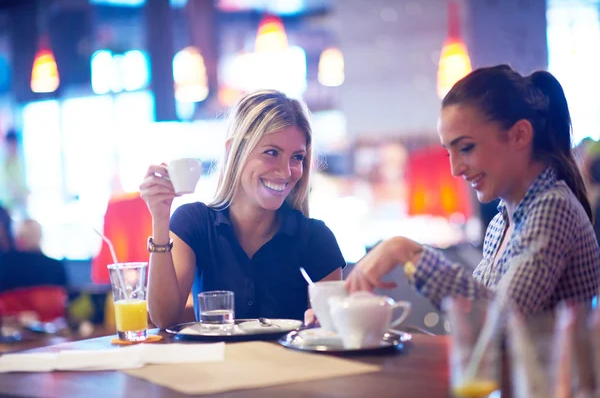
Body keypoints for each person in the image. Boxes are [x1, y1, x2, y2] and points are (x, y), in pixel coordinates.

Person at [346, 65, 600, 314]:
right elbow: (480, 315)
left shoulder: (553, 207)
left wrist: (405, 251)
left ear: (519, 135)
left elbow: (501, 322)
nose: (456, 169)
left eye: (466, 148)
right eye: (449, 153)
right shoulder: (501, 222)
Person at [140, 90, 345, 328]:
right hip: (215, 365)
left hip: (289, 365)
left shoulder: (316, 238)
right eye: (272, 153)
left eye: (297, 157)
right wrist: (160, 220)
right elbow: (163, 318)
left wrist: (325, 322)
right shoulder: (193, 223)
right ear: (233, 151)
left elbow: (333, 330)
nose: (287, 172)